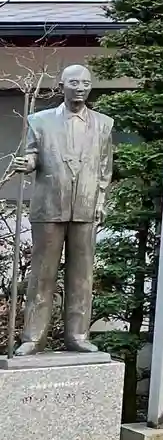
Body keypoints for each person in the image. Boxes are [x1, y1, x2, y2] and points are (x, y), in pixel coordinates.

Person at [5, 64, 113, 354]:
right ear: (62, 85)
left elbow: (105, 168)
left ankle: (78, 335)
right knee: (42, 274)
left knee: (82, 275)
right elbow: (32, 155)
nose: (80, 88)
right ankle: (33, 337)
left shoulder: (104, 124)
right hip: (49, 206)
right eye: (74, 83)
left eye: (85, 83)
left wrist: (100, 201)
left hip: (86, 207)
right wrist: (26, 163)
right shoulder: (40, 121)